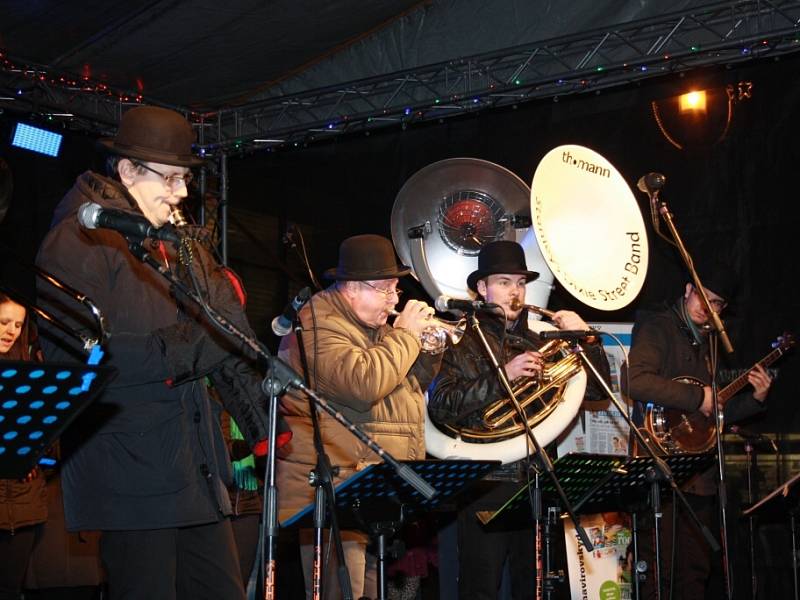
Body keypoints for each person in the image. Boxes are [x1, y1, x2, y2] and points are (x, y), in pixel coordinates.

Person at [34, 106, 287, 600]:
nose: (182, 193)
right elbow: (75, 361)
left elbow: (225, 334)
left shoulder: (169, 245)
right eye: (170, 179)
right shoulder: (76, 241)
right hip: (132, 472)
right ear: (127, 171)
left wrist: (263, 423)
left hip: (192, 467)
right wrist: (190, 348)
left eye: (185, 179)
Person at [428, 240, 611, 600]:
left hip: (538, 479)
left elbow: (596, 393)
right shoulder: (459, 339)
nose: (515, 292)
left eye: (520, 283)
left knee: (538, 587)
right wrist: (503, 377)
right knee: (481, 588)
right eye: (504, 282)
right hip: (486, 482)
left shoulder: (539, 337)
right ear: (482, 288)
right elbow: (441, 406)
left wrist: (586, 339)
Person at [276, 234, 440, 600]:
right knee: (340, 593)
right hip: (333, 489)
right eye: (385, 289)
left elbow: (405, 388)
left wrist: (428, 349)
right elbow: (362, 383)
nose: (394, 299)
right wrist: (407, 337)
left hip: (370, 488)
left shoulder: (375, 328)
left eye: (395, 290)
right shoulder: (318, 321)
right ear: (351, 288)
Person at [626, 273, 772, 599]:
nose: (708, 308)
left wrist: (753, 401)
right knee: (657, 579)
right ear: (688, 290)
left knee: (693, 578)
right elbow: (634, 382)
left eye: (716, 304)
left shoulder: (708, 344)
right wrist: (698, 397)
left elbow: (710, 415)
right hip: (660, 478)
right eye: (703, 297)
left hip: (699, 479)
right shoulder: (658, 327)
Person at [0, 294, 47, 600]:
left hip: (22, 505)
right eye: (4, 322)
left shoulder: (30, 371)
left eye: (18, 324)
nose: (12, 331)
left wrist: (34, 454)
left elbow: (49, 435)